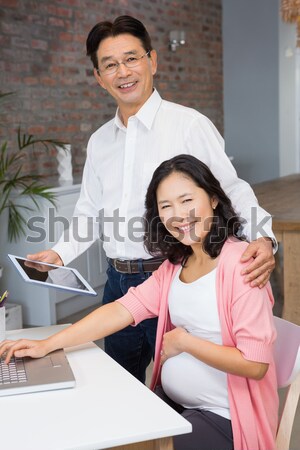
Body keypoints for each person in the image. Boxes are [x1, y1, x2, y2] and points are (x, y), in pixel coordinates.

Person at [26, 15, 276, 383]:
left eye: (131, 58)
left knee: (179, 385)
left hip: (172, 274)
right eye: (109, 64)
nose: (122, 71)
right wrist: (59, 253)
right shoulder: (99, 141)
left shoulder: (188, 124)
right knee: (119, 384)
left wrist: (264, 237)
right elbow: (89, 211)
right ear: (98, 77)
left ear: (152, 61)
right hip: (118, 283)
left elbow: (231, 188)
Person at [0, 155, 278, 450]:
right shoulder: (176, 265)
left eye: (186, 200)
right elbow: (121, 309)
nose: (179, 215)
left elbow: (255, 364)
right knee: (106, 431)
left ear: (213, 199)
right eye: (166, 206)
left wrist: (185, 342)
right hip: (174, 405)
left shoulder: (243, 263)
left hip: (227, 417)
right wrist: (48, 344)